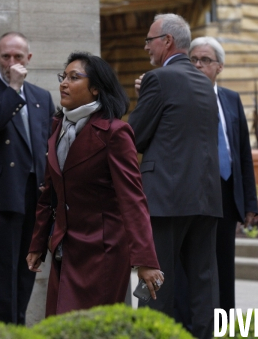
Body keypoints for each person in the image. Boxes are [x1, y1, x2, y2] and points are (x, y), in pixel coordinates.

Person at [26, 52, 162, 315]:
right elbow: (49, 193)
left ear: (96, 88)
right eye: (63, 76)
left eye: (74, 77)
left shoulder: (115, 133)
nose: (64, 83)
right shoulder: (57, 126)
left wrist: (145, 260)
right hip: (64, 249)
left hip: (103, 252)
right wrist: (37, 243)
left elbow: (133, 200)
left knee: (91, 328)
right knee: (60, 327)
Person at [128, 14, 222, 339]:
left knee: (156, 285)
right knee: (203, 282)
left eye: (149, 40)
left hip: (166, 199)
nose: (146, 47)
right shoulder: (205, 84)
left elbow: (134, 137)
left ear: (166, 41)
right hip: (206, 198)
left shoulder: (158, 79)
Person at [174, 37, 257, 320]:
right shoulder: (180, 97)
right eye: (193, 59)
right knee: (193, 262)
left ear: (219, 67)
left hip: (226, 191)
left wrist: (249, 201)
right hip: (193, 194)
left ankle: (224, 321)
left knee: (223, 262)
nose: (198, 65)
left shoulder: (231, 99)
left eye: (205, 60)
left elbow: (242, 151)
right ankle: (194, 322)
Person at [0, 32, 54, 324]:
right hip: (3, 196)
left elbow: (47, 145)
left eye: (18, 57)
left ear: (29, 59)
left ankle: (18, 327)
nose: (12, 62)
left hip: (36, 196)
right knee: (2, 274)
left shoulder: (40, 96)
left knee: (27, 270)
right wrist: (12, 88)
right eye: (6, 56)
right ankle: (3, 331)